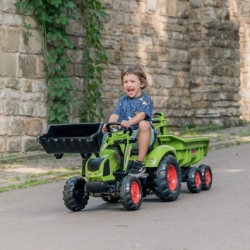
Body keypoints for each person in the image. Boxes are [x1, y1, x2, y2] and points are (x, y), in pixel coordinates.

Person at [105, 65, 154, 176]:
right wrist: (110, 124)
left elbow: (142, 115)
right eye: (125, 82)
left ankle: (140, 163)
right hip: (127, 133)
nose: (129, 85)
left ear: (141, 83)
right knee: (107, 131)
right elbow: (116, 114)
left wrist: (129, 122)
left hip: (143, 134)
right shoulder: (122, 100)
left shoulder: (146, 100)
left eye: (132, 81)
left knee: (144, 124)